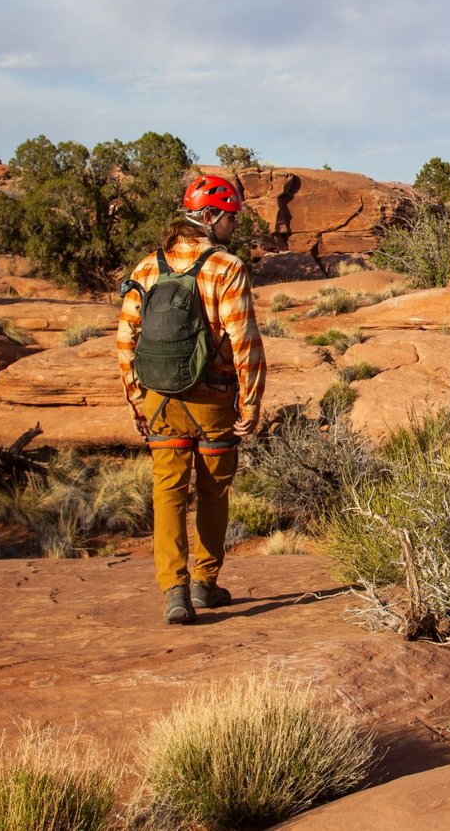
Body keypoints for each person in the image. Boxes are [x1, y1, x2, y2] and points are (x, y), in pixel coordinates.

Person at [116, 174, 265, 624]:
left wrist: (136, 398)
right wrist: (252, 401)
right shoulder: (227, 267)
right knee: (214, 490)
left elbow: (126, 339)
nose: (235, 226)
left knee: (168, 493)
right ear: (210, 217)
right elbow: (244, 341)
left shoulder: (146, 268)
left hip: (161, 401)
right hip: (213, 400)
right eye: (232, 217)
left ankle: (174, 592)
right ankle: (204, 584)